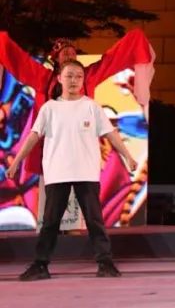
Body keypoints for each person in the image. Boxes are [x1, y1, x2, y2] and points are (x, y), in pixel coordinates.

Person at [6, 59, 137, 281]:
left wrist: (128, 156)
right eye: (69, 76)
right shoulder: (50, 108)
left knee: (95, 221)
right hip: (58, 173)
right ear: (59, 78)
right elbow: (33, 136)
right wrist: (16, 162)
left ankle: (105, 263)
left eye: (78, 76)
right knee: (50, 222)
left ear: (83, 80)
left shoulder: (91, 107)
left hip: (86, 172)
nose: (74, 80)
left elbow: (110, 134)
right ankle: (40, 265)